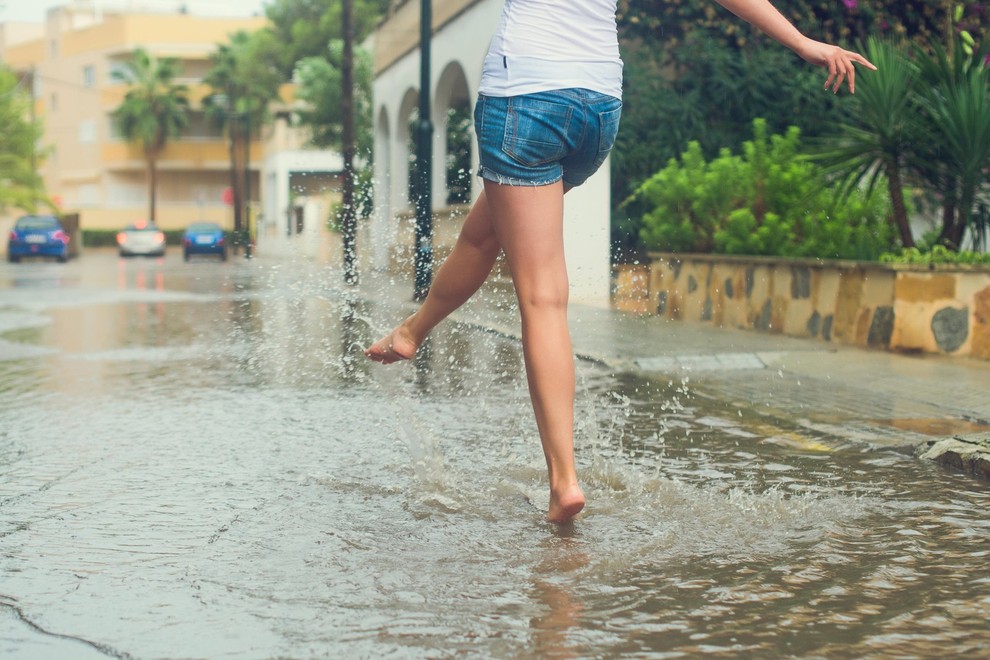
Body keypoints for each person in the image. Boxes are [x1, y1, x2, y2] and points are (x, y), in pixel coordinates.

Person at [365, 0, 875, 523]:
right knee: (481, 236)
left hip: (526, 99)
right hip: (596, 110)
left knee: (542, 298)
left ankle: (563, 481)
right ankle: (413, 330)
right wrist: (805, 43)